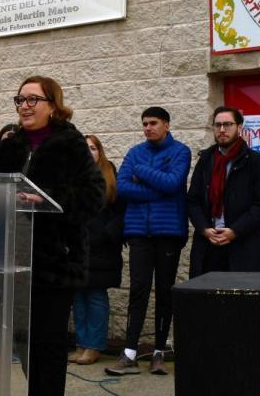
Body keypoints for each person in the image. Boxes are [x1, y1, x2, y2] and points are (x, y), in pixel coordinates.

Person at [0, 76, 104, 396]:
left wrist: (50, 198)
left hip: (55, 261)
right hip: (13, 260)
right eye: (20, 100)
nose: (24, 106)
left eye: (32, 100)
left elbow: (95, 195)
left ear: (53, 105)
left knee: (48, 345)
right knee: (24, 345)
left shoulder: (70, 143)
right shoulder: (11, 145)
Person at [105, 107, 191, 376]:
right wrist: (158, 186)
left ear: (166, 124)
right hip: (139, 232)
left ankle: (159, 353)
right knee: (138, 290)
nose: (147, 128)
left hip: (168, 233)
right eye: (144, 124)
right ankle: (129, 352)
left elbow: (173, 184)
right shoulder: (134, 151)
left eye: (153, 123)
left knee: (165, 292)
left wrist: (140, 172)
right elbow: (123, 187)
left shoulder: (181, 152)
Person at [187, 106, 260, 277]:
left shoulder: (256, 161)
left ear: (239, 128)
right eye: (217, 125)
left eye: (227, 124)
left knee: (243, 300)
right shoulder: (205, 160)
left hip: (244, 244)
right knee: (208, 300)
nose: (222, 130)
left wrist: (235, 231)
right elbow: (193, 200)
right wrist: (204, 228)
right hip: (209, 244)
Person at [69, 134, 123, 366]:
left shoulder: (109, 173)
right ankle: (81, 344)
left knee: (96, 296)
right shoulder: (71, 177)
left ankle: (94, 345)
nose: (88, 151)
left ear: (99, 151)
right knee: (78, 297)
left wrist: (107, 233)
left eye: (92, 148)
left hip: (102, 247)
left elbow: (121, 210)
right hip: (76, 246)